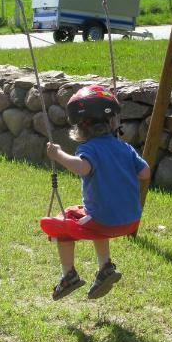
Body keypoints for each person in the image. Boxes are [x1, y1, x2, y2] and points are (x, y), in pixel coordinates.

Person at [40, 85, 150, 300]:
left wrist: (59, 154)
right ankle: (105, 267)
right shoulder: (125, 148)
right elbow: (145, 173)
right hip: (131, 220)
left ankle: (68, 275)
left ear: (80, 127)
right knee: (87, 214)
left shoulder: (89, 149)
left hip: (104, 221)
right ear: (113, 122)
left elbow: (82, 168)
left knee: (60, 226)